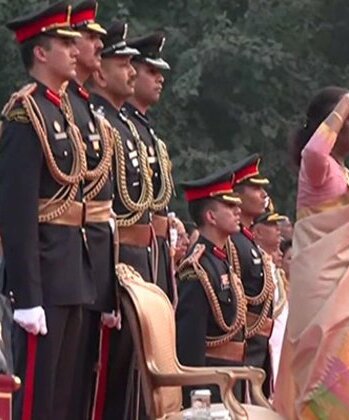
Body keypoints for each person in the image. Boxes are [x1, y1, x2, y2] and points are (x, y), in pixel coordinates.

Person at [273, 87, 349, 419]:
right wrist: (344, 104)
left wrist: (347, 109)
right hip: (324, 301)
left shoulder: (346, 175)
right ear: (333, 125)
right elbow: (313, 152)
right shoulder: (317, 169)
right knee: (324, 382)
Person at [0, 3, 89, 418]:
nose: (76, 51)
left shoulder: (62, 111)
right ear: (40, 52)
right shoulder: (25, 113)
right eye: (65, 43)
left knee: (63, 397)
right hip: (45, 274)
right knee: (36, 399)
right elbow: (17, 213)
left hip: (71, 269)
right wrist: (27, 295)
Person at [64, 2, 120, 419]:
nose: (98, 44)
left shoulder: (84, 110)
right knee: (54, 383)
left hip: (90, 258)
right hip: (58, 255)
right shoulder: (41, 109)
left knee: (84, 380)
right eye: (90, 37)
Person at [88, 21, 146, 420]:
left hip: (139, 252)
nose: (131, 70)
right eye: (122, 62)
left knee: (135, 366)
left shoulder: (128, 125)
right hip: (113, 249)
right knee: (106, 368)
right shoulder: (99, 120)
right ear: (100, 69)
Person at [175, 169, 247, 404]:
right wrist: (196, 402)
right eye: (228, 206)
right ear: (211, 217)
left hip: (230, 379)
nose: (238, 210)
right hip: (211, 386)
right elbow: (190, 347)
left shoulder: (221, 260)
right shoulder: (197, 269)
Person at [125, 32, 176, 302]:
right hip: (131, 253)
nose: (160, 78)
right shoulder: (122, 127)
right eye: (151, 70)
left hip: (154, 249)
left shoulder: (145, 129)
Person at [228, 154, 275, 396]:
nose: (263, 195)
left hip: (259, 348)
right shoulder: (233, 243)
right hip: (244, 349)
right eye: (256, 189)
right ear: (237, 195)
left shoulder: (248, 241)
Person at [252, 210, 289, 391]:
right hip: (265, 346)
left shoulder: (270, 264)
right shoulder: (256, 262)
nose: (278, 229)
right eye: (272, 225)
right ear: (258, 232)